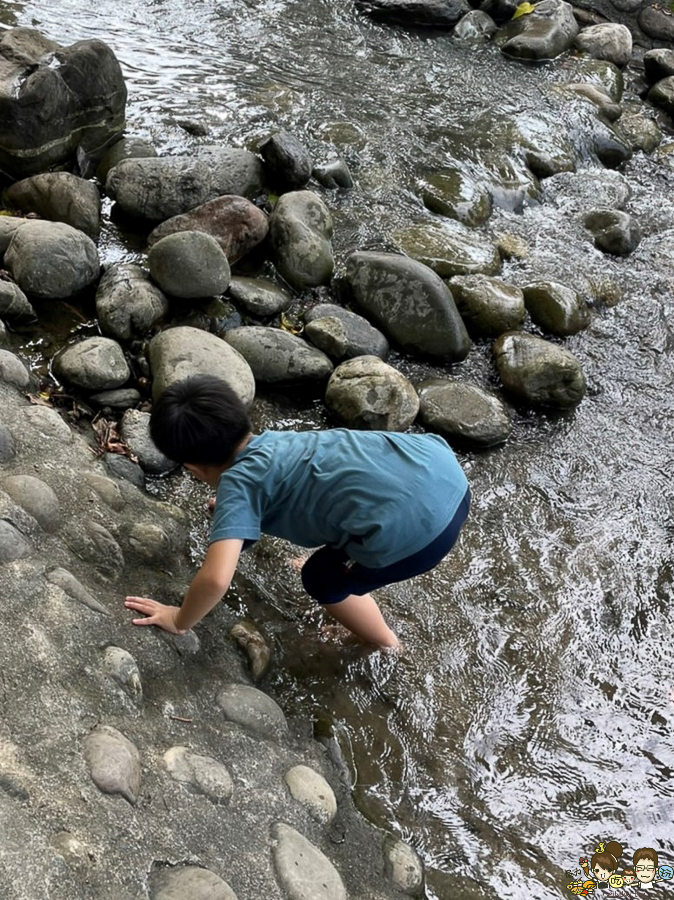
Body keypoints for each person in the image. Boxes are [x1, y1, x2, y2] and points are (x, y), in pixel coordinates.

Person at [124, 375, 470, 649]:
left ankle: (385, 642)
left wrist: (179, 619)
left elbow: (216, 578)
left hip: (423, 535)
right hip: (442, 471)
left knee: (320, 578)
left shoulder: (239, 486)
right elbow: (301, 484)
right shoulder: (278, 442)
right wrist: (233, 512)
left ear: (192, 468)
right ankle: (346, 560)